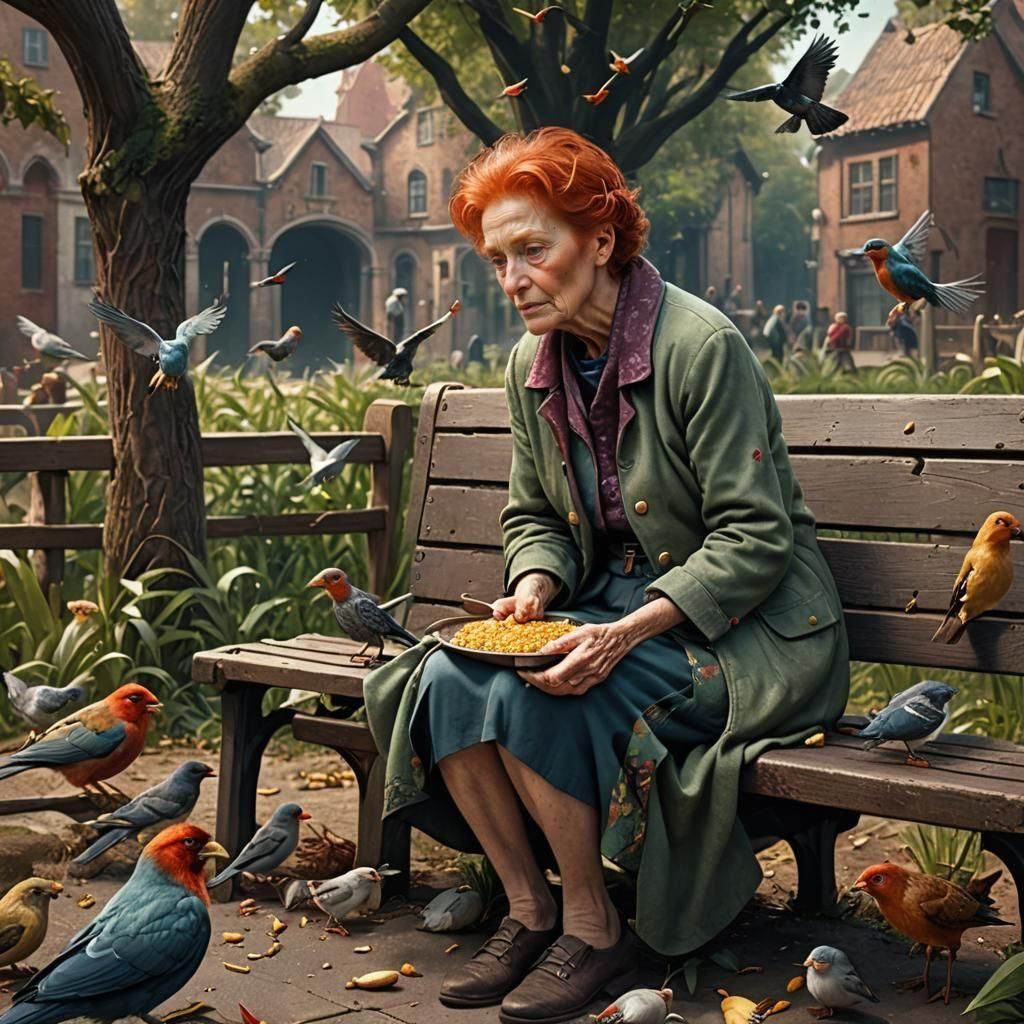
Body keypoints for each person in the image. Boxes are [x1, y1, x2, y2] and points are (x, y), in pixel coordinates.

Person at [363, 127, 849, 1024]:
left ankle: (595, 928)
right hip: (607, 606)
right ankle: (530, 908)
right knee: (447, 673)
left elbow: (755, 538)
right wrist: (538, 586)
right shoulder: (529, 363)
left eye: (532, 251)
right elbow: (535, 516)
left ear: (599, 239)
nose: (512, 280)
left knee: (546, 693)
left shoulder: (702, 346)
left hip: (749, 632)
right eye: (498, 259)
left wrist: (624, 631)